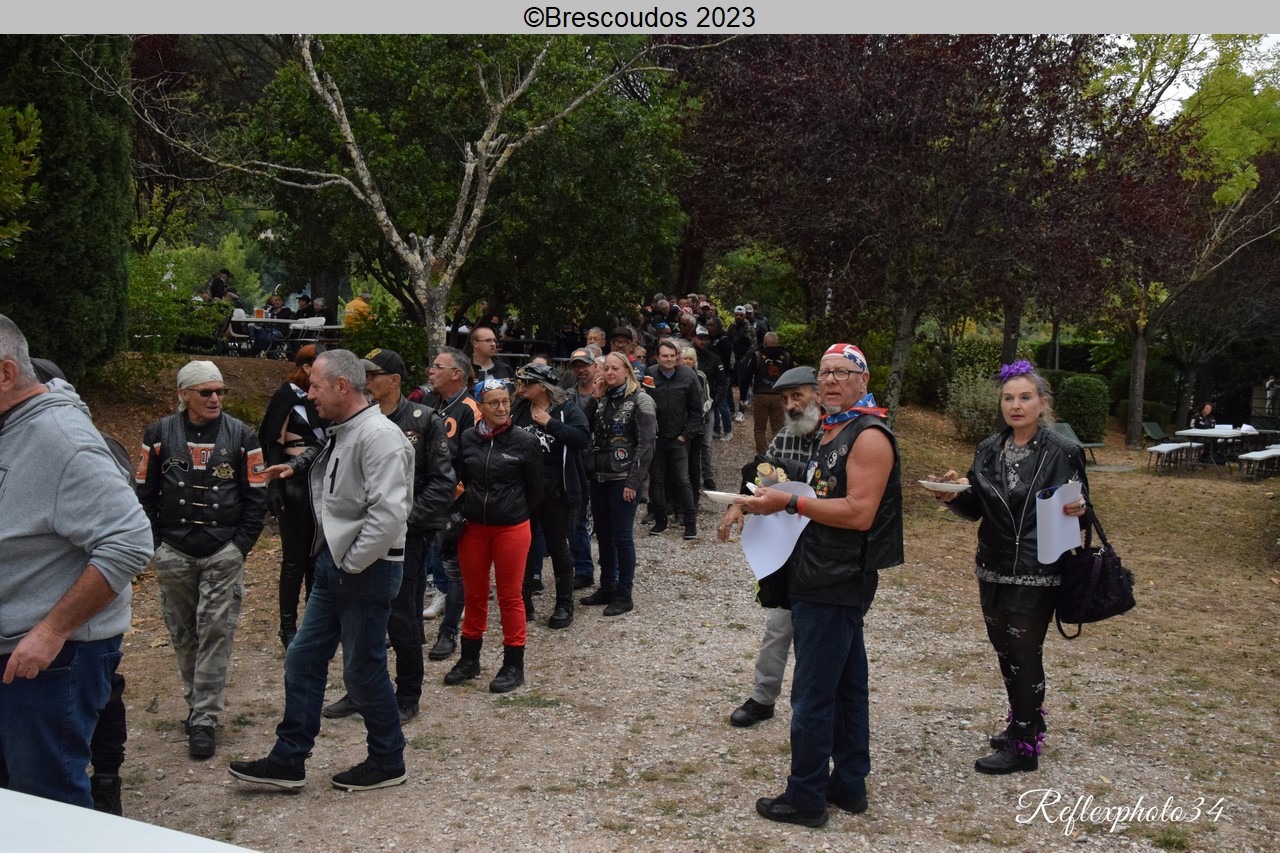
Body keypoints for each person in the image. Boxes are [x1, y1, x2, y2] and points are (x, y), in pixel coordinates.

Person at [229, 349, 414, 792]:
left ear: (341, 386)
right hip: (338, 564)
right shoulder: (346, 430)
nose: (308, 394)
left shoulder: (379, 437)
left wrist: (351, 562)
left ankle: (388, 759)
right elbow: (325, 462)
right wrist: (293, 466)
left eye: (314, 385)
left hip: (364, 569)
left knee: (362, 670)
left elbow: (389, 514)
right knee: (303, 657)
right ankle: (288, 760)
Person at [741, 342, 903, 828]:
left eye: (842, 373)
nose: (831, 380)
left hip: (835, 579)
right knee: (848, 688)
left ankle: (806, 796)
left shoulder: (868, 435)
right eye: (826, 372)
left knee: (812, 694)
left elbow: (859, 513)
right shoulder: (836, 429)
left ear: (863, 379)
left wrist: (789, 504)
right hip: (823, 573)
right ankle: (849, 785)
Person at [0, 315, 153, 810]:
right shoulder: (11, 430)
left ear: (5, 374)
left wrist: (51, 631)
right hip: (15, 652)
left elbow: (129, 540)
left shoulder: (61, 439)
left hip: (51, 662)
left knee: (48, 806)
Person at [933, 359, 1089, 775]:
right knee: (1004, 650)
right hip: (993, 565)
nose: (1015, 405)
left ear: (1042, 403)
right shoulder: (987, 449)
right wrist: (952, 496)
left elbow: (1082, 510)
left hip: (1039, 567)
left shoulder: (1064, 451)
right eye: (1008, 398)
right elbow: (976, 508)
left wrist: (1080, 508)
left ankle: (1024, 746)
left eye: (1025, 397)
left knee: (1024, 652)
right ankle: (1026, 720)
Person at [136, 361, 267, 760]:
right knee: (183, 633)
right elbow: (143, 493)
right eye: (206, 392)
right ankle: (196, 706)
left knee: (216, 632)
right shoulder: (159, 434)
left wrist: (239, 547)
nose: (215, 399)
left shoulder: (242, 435)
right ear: (184, 394)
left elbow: (257, 497)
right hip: (174, 551)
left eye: (220, 391)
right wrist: (156, 546)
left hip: (222, 551)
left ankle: (205, 719)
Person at [324, 349, 456, 723]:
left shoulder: (423, 421)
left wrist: (402, 521)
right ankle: (360, 689)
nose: (366, 381)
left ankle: (408, 694)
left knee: (402, 618)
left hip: (407, 536)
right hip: (360, 533)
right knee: (358, 616)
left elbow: (443, 484)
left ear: (394, 380)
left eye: (373, 375)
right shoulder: (356, 419)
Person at [717, 367, 824, 729]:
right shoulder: (783, 437)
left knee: (817, 634)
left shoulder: (838, 437)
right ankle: (763, 699)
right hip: (786, 548)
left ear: (818, 395)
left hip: (824, 550)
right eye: (785, 399)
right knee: (778, 624)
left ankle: (815, 708)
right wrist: (739, 504)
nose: (791, 405)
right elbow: (761, 479)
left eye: (798, 396)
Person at [444, 379, 544, 693]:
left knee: (510, 596)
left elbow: (536, 489)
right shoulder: (467, 439)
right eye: (494, 403)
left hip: (511, 528)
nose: (501, 408)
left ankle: (514, 664)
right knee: (474, 595)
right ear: (481, 408)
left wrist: (514, 511)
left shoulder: (524, 441)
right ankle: (469, 659)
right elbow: (459, 478)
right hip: (474, 527)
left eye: (505, 402)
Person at [410, 346, 483, 662]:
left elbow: (474, 461)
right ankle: (411, 630)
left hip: (453, 502)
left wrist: (449, 496)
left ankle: (449, 632)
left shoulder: (469, 409)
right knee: (418, 565)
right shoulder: (428, 403)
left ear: (456, 373)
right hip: (422, 499)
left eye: (437, 366)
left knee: (455, 570)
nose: (431, 371)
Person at [512, 362, 591, 629]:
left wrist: (551, 423)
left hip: (557, 487)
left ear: (543, 387)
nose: (522, 387)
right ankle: (523, 602)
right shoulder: (519, 407)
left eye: (527, 383)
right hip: (524, 487)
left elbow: (582, 438)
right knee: (522, 543)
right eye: (520, 382)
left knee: (557, 544)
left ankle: (564, 604)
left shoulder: (566, 410)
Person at [580, 351, 657, 615]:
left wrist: (633, 482)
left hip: (624, 478)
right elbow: (583, 427)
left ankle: (625, 593)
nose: (610, 373)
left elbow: (646, 445)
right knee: (603, 535)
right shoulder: (602, 399)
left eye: (615, 368)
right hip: (599, 476)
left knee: (622, 537)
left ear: (627, 371)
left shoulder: (641, 400)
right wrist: (594, 397)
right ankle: (607, 586)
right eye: (606, 368)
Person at [645, 338, 704, 539]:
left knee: (682, 480)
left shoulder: (688, 375)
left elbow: (697, 410)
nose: (669, 359)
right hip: (656, 438)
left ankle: (690, 522)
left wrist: (685, 435)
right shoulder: (650, 374)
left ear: (678, 357)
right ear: (657, 357)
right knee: (657, 481)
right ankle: (661, 520)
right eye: (665, 356)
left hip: (678, 439)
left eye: (672, 356)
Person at [744, 332, 795, 455]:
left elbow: (746, 376)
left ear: (764, 342)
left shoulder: (757, 355)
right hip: (780, 396)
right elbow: (793, 377)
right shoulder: (786, 356)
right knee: (778, 428)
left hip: (761, 395)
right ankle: (777, 454)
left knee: (759, 428)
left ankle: (762, 455)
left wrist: (742, 396)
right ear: (777, 342)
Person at [680, 345, 714, 506]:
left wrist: (699, 413)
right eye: (685, 358)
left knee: (695, 459)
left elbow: (707, 398)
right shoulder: (676, 375)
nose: (687, 361)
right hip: (679, 423)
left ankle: (694, 497)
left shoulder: (700, 376)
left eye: (690, 359)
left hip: (698, 423)